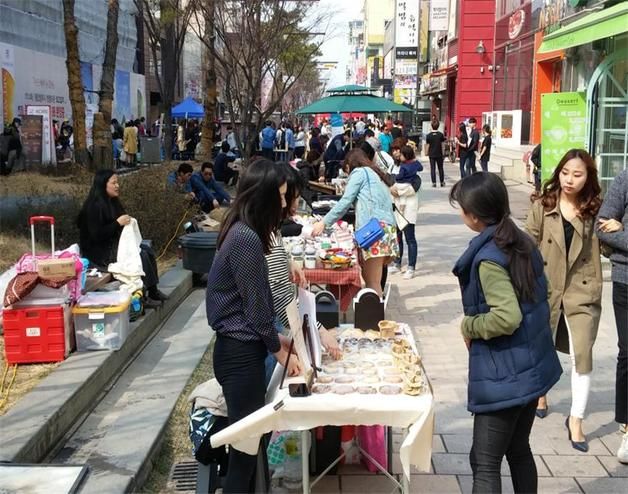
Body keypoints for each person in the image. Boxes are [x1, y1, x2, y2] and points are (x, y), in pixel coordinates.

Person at [450, 172, 562, 494]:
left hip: (506, 375)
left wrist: (469, 325)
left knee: (484, 462)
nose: (461, 213)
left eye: (462, 207)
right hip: (531, 367)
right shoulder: (520, 239)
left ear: (474, 215)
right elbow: (546, 292)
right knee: (518, 449)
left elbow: (507, 317)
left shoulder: (488, 259)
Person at [206, 160, 301, 493]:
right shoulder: (245, 237)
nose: (284, 204)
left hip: (241, 348)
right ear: (261, 197)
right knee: (244, 452)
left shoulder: (243, 231)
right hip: (239, 355)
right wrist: (276, 347)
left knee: (251, 445)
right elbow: (256, 306)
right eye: (281, 196)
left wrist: (276, 339)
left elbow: (250, 309)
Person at [525, 149, 604, 452]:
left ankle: (576, 420)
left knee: (582, 355)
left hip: (583, 290)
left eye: (578, 174)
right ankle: (541, 393)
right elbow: (528, 242)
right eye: (565, 173)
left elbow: (607, 247)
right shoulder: (543, 205)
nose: (570, 180)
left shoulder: (595, 209)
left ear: (588, 178)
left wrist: (616, 228)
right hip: (546, 286)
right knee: (542, 344)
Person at [264, 164, 342, 383]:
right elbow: (279, 294)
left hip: (266, 331)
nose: (293, 204)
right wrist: (318, 329)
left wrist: (287, 262)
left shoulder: (269, 228)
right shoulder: (257, 234)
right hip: (261, 337)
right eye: (290, 197)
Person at [312, 149, 397, 296]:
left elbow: (345, 201)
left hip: (374, 231)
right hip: (384, 230)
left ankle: (375, 317)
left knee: (372, 283)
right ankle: (375, 314)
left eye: (346, 169)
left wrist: (324, 222)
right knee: (371, 279)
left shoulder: (359, 173)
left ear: (349, 165)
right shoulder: (374, 173)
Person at [77, 170, 167, 306]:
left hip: (113, 246)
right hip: (100, 254)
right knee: (139, 255)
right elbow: (97, 235)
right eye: (114, 183)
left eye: (117, 182)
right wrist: (117, 223)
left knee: (146, 249)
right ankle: (140, 297)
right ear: (103, 185)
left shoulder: (113, 202)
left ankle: (153, 290)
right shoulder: (93, 207)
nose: (117, 186)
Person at [595, 169, 628, 464]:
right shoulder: (626, 178)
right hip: (626, 280)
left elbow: (617, 232)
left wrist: (624, 232)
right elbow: (601, 226)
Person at [389, 146, 422, 280]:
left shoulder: (414, 175)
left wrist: (397, 190)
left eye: (399, 151)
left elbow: (412, 189)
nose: (396, 153)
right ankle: (397, 262)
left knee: (410, 238)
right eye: (395, 151)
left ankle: (411, 267)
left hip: (408, 209)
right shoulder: (396, 166)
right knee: (398, 236)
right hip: (396, 207)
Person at [425, 120, 446, 187]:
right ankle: (442, 182)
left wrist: (426, 152)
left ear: (431, 126)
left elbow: (427, 145)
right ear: (438, 126)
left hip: (431, 154)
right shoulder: (440, 135)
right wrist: (443, 152)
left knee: (432, 168)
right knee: (440, 168)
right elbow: (442, 145)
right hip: (439, 153)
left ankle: (434, 182)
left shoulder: (428, 135)